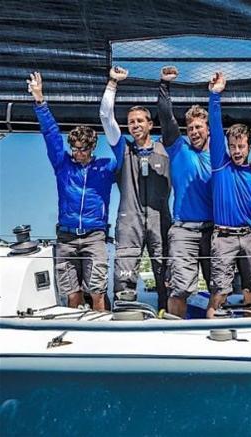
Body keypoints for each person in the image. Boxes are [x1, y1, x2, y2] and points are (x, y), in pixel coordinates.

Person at [27, 71, 119, 311]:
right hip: (66, 238)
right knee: (72, 294)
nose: (76, 152)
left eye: (81, 149)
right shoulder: (62, 165)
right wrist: (40, 101)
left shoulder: (106, 167)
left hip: (95, 237)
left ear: (91, 147)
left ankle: (106, 338)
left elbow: (121, 150)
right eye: (74, 148)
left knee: (97, 292)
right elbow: (51, 135)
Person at [99, 66, 171, 310]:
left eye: (140, 121)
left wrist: (164, 84)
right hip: (129, 219)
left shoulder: (166, 150)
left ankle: (167, 319)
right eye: (131, 122)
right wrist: (112, 84)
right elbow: (105, 117)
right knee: (125, 274)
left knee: (166, 273)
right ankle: (125, 319)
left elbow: (170, 119)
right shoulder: (123, 149)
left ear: (150, 124)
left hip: (160, 218)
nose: (135, 125)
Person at [206, 71, 251, 318]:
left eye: (241, 146)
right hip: (223, 237)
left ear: (250, 147)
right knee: (219, 291)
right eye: (232, 146)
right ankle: (211, 334)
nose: (236, 150)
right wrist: (214, 96)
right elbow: (215, 125)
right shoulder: (220, 165)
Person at [157, 66, 213, 318]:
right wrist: (164, 86)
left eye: (199, 127)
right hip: (184, 230)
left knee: (219, 287)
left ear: (209, 129)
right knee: (179, 289)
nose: (194, 131)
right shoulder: (178, 149)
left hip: (214, 230)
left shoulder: (220, 154)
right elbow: (166, 118)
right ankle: (175, 339)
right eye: (190, 128)